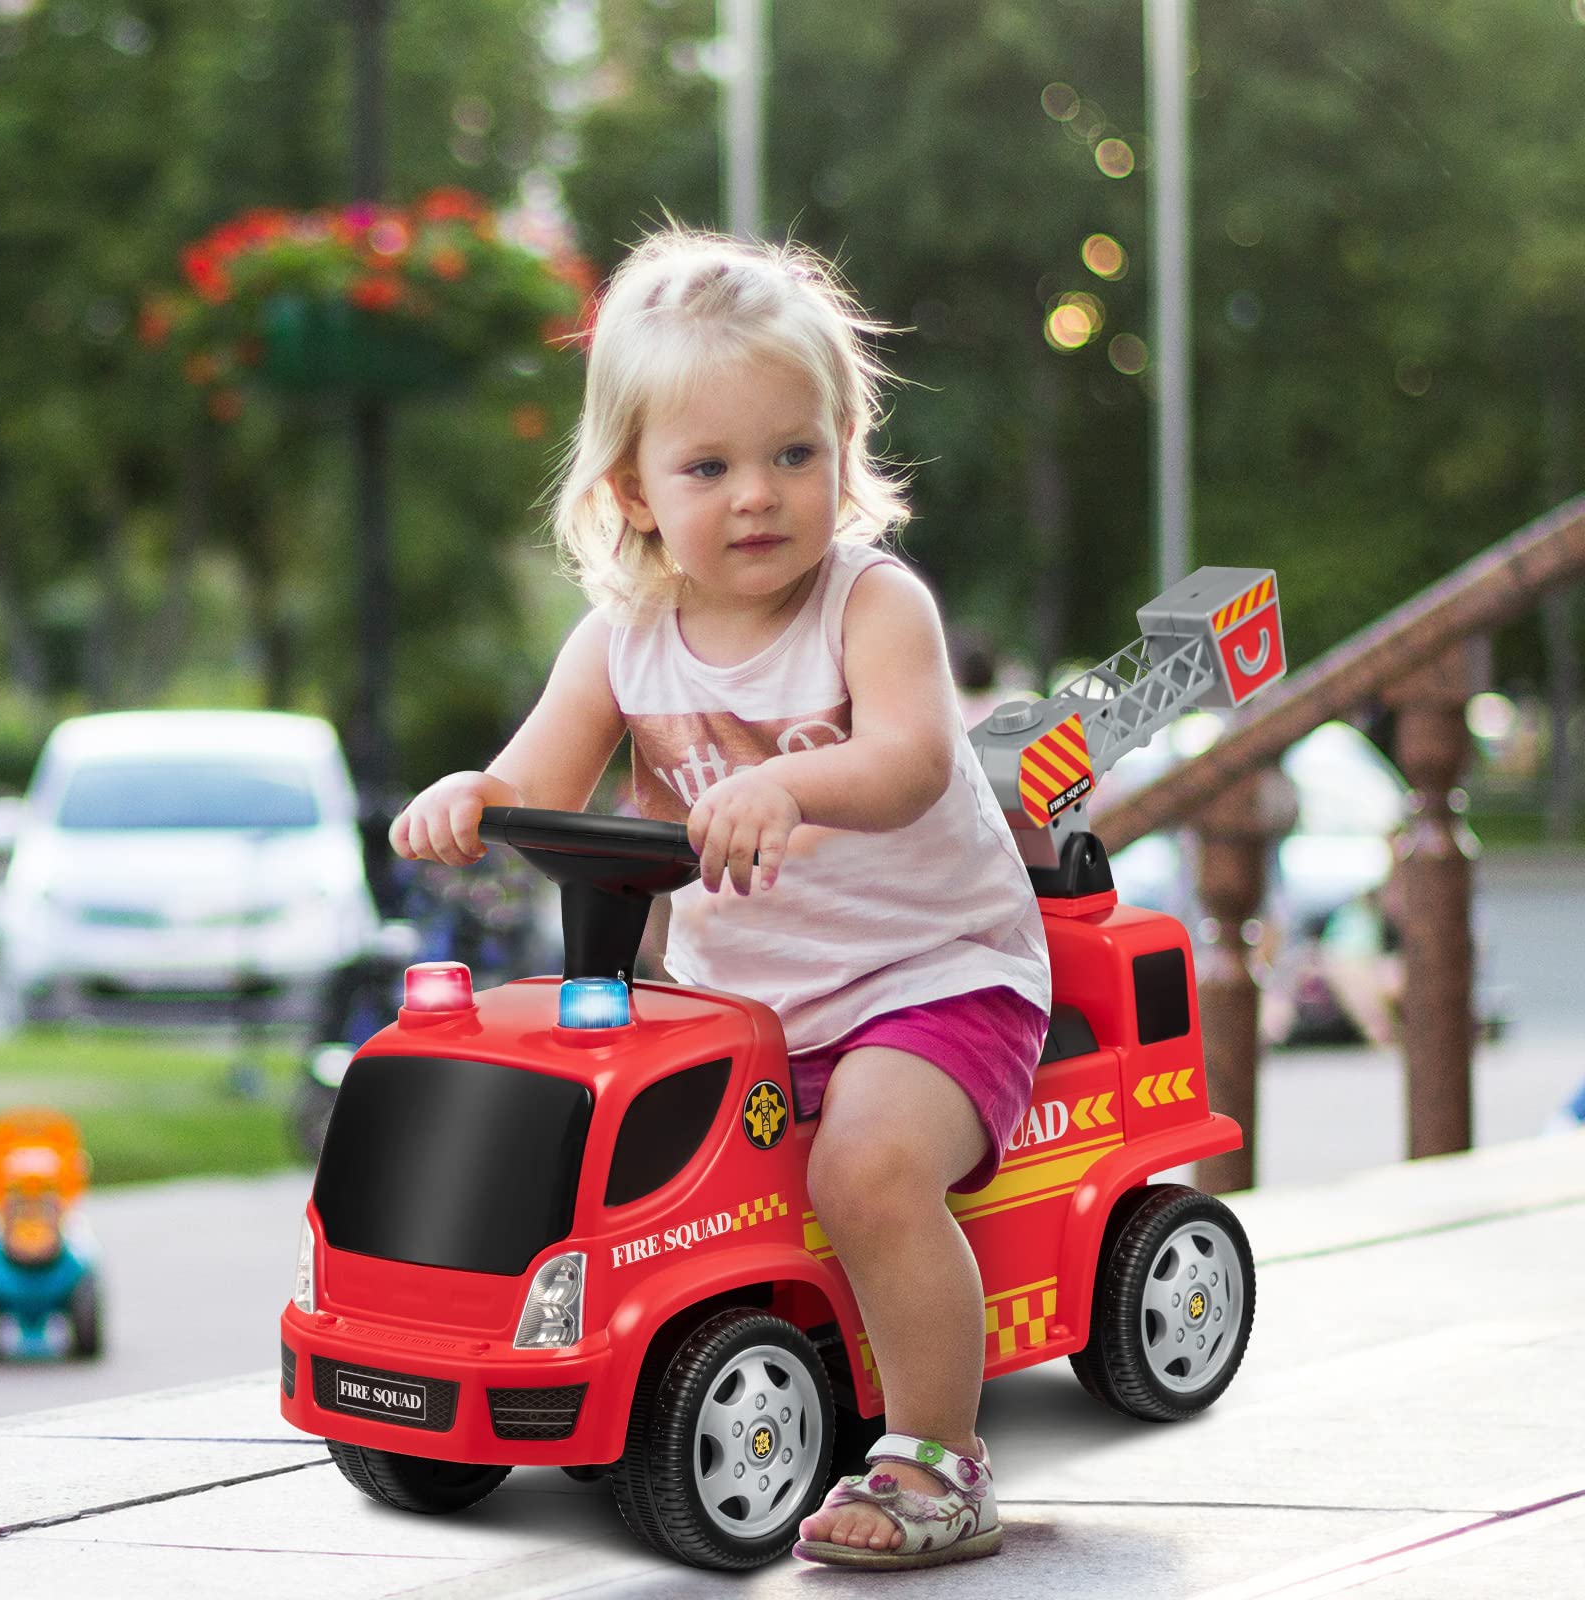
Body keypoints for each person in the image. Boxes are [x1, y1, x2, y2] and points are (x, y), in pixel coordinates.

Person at [389, 223, 1051, 1570]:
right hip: (751, 1009)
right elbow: (538, 780)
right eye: (710, 466)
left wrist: (793, 789)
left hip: (934, 979)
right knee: (600, 1151)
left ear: (843, 445)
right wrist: (471, 797)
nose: (759, 495)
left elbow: (918, 760)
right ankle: (542, 1368)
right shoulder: (620, 642)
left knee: (862, 1168)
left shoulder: (873, 602)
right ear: (634, 489)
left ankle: (937, 1460)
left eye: (793, 455)